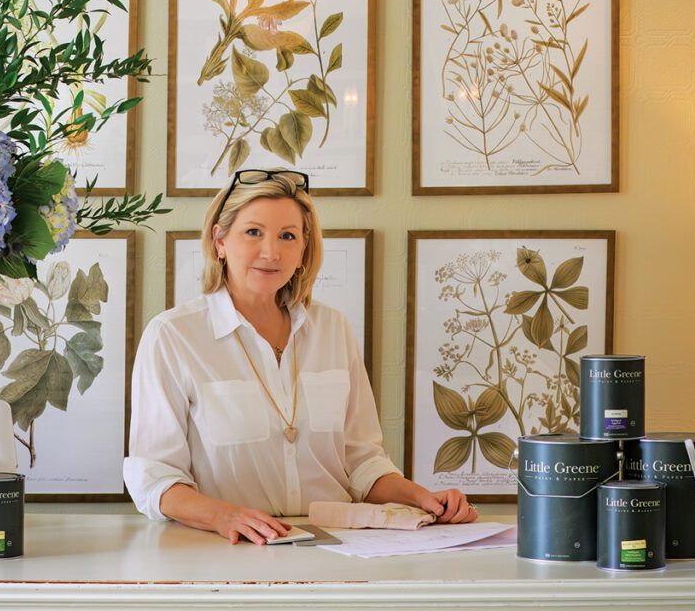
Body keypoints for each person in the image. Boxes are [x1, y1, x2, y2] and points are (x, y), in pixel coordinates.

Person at [123, 169, 478, 544]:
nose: (271, 252)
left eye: (287, 236)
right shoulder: (174, 336)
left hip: (340, 549)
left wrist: (423, 498)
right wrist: (224, 517)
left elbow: (362, 463)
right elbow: (155, 477)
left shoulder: (333, 329)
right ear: (220, 240)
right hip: (226, 551)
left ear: (304, 250)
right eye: (253, 232)